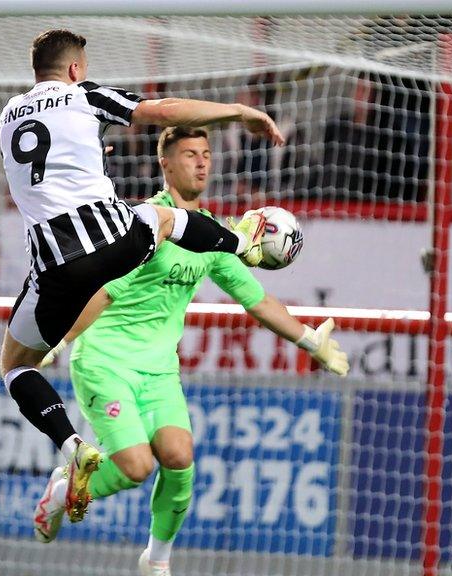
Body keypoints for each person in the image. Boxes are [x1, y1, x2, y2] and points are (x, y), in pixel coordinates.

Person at [0, 29, 284, 525]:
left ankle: (71, 446)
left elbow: (50, 167)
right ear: (74, 69)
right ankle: (243, 244)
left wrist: (91, 155)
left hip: (53, 267)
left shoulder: (7, 115)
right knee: (167, 220)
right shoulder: (85, 95)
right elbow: (163, 111)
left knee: (17, 367)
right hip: (109, 241)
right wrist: (238, 111)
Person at [33, 127, 350, 576]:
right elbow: (102, 292)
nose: (201, 163)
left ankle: (156, 560)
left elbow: (256, 300)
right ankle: (62, 491)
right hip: (106, 362)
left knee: (180, 458)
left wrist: (309, 340)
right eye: (189, 155)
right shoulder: (143, 225)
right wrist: (60, 341)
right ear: (166, 164)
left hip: (159, 371)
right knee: (136, 467)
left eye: (205, 154)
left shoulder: (214, 237)